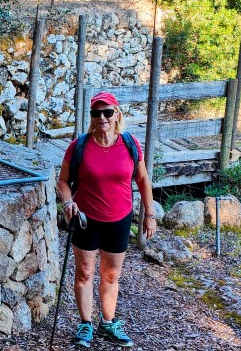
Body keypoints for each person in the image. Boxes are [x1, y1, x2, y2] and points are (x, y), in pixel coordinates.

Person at [56, 91, 157, 348]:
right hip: (85, 219)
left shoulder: (130, 144)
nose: (102, 117)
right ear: (91, 116)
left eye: (107, 112)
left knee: (111, 275)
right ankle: (85, 324)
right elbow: (63, 182)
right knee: (85, 272)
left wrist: (150, 214)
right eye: (96, 113)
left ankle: (108, 322)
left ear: (116, 114)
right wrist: (68, 202)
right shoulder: (80, 145)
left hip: (119, 220)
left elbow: (143, 180)